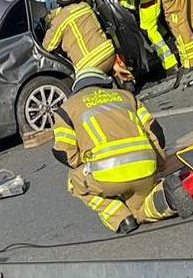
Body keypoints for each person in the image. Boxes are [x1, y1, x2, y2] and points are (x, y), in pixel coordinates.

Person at [51, 71, 174, 233]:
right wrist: (161, 163)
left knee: (73, 181)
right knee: (138, 204)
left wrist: (89, 156)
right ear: (105, 83)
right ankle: (165, 197)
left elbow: (66, 155)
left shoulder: (67, 109)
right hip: (145, 168)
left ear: (77, 90)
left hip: (107, 176)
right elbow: (155, 131)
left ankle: (122, 218)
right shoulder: (127, 96)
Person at [40, 0, 118, 79]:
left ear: (59, 0)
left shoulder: (59, 20)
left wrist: (50, 19)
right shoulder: (86, 7)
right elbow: (72, 11)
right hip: (109, 54)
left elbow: (48, 46)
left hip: (88, 66)